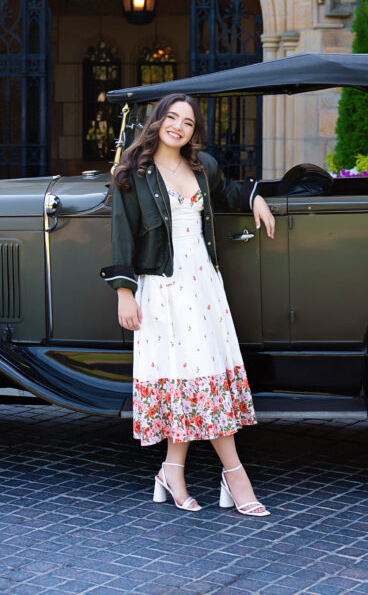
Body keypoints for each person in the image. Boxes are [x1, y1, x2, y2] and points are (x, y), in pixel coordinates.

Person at [100, 93, 276, 515]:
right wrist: (124, 292)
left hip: (204, 285)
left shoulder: (203, 166)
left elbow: (229, 191)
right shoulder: (133, 173)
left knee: (196, 379)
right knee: (189, 376)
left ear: (194, 131)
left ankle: (172, 470)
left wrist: (255, 198)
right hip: (162, 287)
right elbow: (122, 234)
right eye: (172, 118)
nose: (179, 126)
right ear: (158, 120)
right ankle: (234, 477)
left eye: (189, 123)